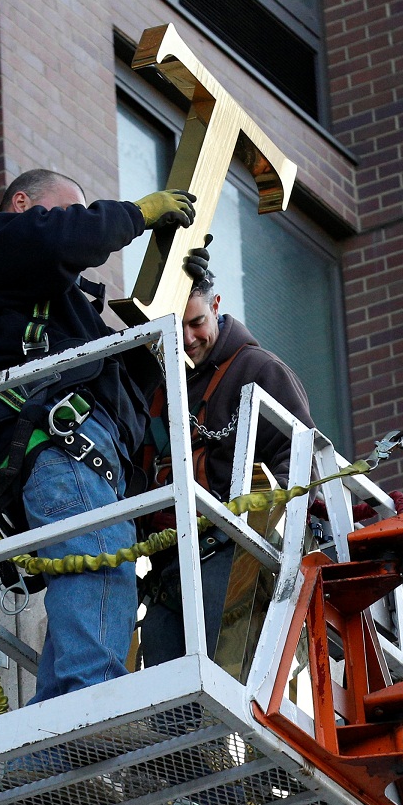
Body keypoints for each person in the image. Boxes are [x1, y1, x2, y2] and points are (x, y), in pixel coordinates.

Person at [0, 168, 199, 702]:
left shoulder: (53, 306)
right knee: (101, 569)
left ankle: (56, 743)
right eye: (65, 211)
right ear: (21, 205)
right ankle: (94, 704)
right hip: (58, 443)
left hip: (78, 452)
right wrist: (139, 214)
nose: (76, 225)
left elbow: (130, 370)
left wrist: (183, 298)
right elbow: (62, 237)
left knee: (92, 576)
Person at [142, 245, 316, 667]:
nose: (187, 339)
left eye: (197, 322)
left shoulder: (259, 370)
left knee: (219, 682)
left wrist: (252, 538)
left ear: (217, 307)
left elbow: (297, 465)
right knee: (168, 700)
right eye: (175, 326)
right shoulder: (161, 385)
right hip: (169, 566)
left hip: (233, 555)